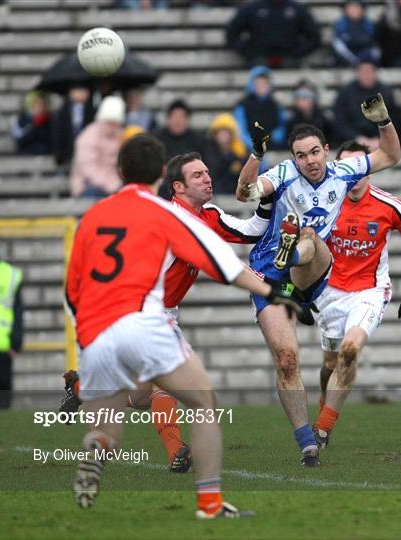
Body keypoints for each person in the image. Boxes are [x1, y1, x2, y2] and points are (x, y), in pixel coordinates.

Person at [65, 133, 299, 516]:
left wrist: (87, 332)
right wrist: (274, 293)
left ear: (120, 172)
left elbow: (74, 285)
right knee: (203, 401)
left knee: (119, 418)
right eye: (199, 174)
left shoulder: (95, 215)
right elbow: (224, 265)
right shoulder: (168, 214)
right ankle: (209, 504)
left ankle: (96, 446)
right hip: (148, 318)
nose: (207, 179)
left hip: (97, 325)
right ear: (162, 174)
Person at [235, 92, 401, 467]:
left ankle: (294, 263)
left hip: (312, 264)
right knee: (287, 360)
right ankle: (307, 443)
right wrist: (257, 155)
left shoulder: (344, 172)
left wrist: (383, 121)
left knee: (309, 237)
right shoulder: (282, 173)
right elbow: (245, 192)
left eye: (314, 152)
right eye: (301, 155)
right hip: (268, 272)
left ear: (326, 150)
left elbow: (390, 156)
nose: (308, 161)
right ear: (293, 158)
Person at [313, 140, 401, 449]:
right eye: (346, 167)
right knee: (329, 363)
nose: (354, 173)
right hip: (328, 293)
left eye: (359, 166)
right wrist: (300, 289)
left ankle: (323, 429)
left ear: (370, 168)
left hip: (369, 291)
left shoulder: (391, 206)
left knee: (350, 350)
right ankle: (325, 401)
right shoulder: (321, 203)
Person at [225, 0, 321, 68]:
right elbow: (231, 34)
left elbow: (314, 37)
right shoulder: (252, 8)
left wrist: (296, 54)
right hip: (258, 61)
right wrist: (250, 53)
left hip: (289, 62)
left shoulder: (298, 9)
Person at [70, 96, 125, 198]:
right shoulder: (88, 136)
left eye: (116, 123)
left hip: (115, 184)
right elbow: (90, 170)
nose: (113, 126)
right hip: (87, 186)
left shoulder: (120, 134)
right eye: (110, 122)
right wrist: (113, 184)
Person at [333, 60, 395, 151]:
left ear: (375, 73)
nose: (366, 75)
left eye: (369, 71)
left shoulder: (385, 93)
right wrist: (356, 138)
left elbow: (393, 118)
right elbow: (340, 121)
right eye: (363, 72)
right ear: (357, 73)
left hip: (380, 141)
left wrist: (379, 138)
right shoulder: (345, 93)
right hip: (351, 142)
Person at [0, 237, 24, 409]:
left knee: (2, 401)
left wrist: (16, 342)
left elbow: (18, 311)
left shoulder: (10, 275)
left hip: (2, 348)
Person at [233, 66, 287, 153]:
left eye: (264, 83)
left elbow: (281, 127)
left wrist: (274, 138)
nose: (261, 86)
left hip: (272, 147)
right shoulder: (242, 105)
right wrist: (251, 144)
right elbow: (240, 129)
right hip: (250, 148)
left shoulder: (276, 105)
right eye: (258, 83)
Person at [205, 113, 249, 194]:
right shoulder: (208, 151)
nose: (223, 135)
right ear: (214, 134)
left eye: (226, 132)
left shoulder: (240, 152)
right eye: (220, 132)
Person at [51, 86, 94, 167]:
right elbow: (58, 132)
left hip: (87, 153)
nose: (81, 93)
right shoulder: (63, 111)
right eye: (78, 90)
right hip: (68, 152)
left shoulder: (92, 111)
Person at [331, 0, 380, 67]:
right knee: (337, 43)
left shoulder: (368, 24)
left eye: (357, 8)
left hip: (364, 53)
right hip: (347, 55)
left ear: (362, 10)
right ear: (345, 10)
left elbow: (370, 39)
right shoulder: (341, 24)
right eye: (350, 8)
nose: (353, 11)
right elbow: (340, 41)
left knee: (375, 51)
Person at [285, 79, 334, 147]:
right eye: (299, 96)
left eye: (307, 96)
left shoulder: (324, 120)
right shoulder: (291, 122)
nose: (303, 100)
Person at [11, 91, 52, 155]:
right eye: (37, 104)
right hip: (27, 153)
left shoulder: (49, 120)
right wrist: (35, 126)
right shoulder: (22, 120)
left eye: (42, 104)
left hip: (45, 153)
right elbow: (20, 141)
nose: (40, 107)